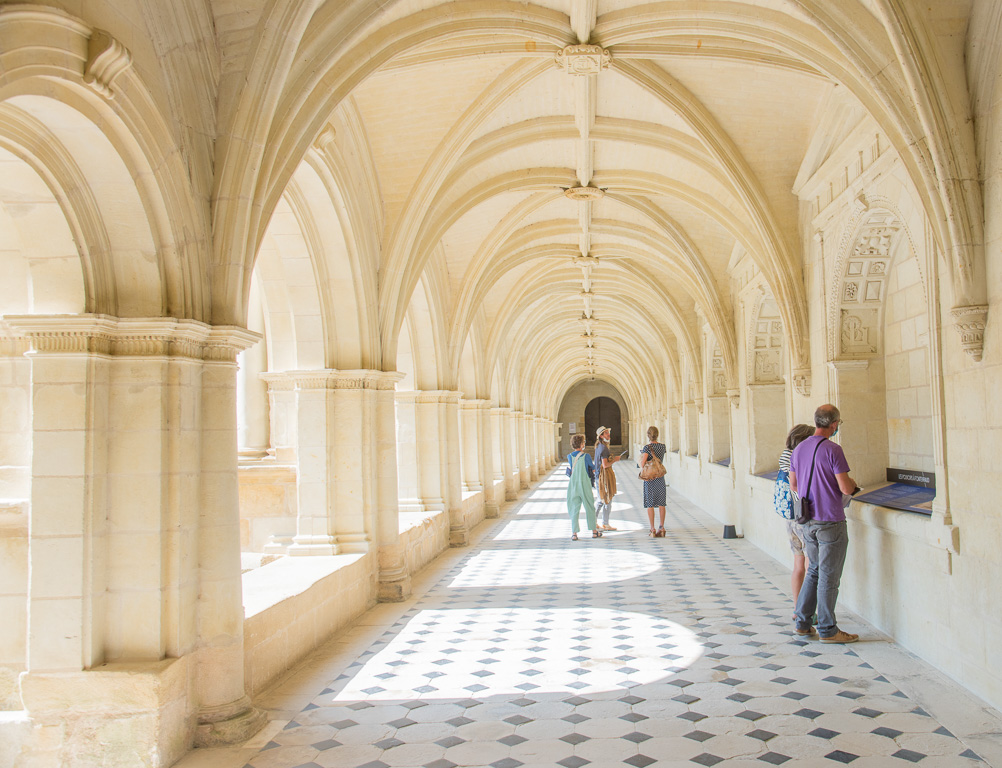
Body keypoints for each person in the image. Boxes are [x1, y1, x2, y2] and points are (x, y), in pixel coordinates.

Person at [789, 404, 860, 644]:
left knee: (815, 571)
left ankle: (802, 622)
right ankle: (828, 629)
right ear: (834, 424)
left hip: (807, 519)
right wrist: (852, 484)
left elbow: (794, 485)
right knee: (829, 576)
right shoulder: (833, 449)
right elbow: (845, 487)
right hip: (830, 519)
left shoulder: (799, 449)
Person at [775, 424, 816, 604]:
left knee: (798, 565)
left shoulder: (785, 457)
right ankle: (808, 611)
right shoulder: (799, 459)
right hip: (803, 517)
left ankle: (797, 608)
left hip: (791, 518)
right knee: (810, 566)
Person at [566, 433, 601, 540]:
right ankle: (594, 531)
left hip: (573, 484)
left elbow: (573, 468)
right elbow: (593, 468)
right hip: (584, 483)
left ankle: (574, 533)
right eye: (584, 442)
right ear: (581, 444)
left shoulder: (569, 456)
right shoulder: (586, 456)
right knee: (589, 506)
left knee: (574, 508)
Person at [639, 426, 668, 537]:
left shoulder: (647, 448)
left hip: (650, 478)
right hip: (660, 476)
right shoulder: (662, 446)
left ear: (648, 435)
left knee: (650, 504)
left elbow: (642, 464)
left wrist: (642, 456)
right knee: (661, 503)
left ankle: (652, 529)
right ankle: (662, 526)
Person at [594, 426, 622, 530]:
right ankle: (596, 522)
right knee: (602, 499)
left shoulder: (599, 446)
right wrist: (615, 459)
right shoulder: (603, 448)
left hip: (600, 476)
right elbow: (605, 465)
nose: (608, 434)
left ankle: (603, 523)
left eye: (608, 432)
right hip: (602, 477)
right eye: (606, 433)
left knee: (605, 499)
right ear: (601, 436)